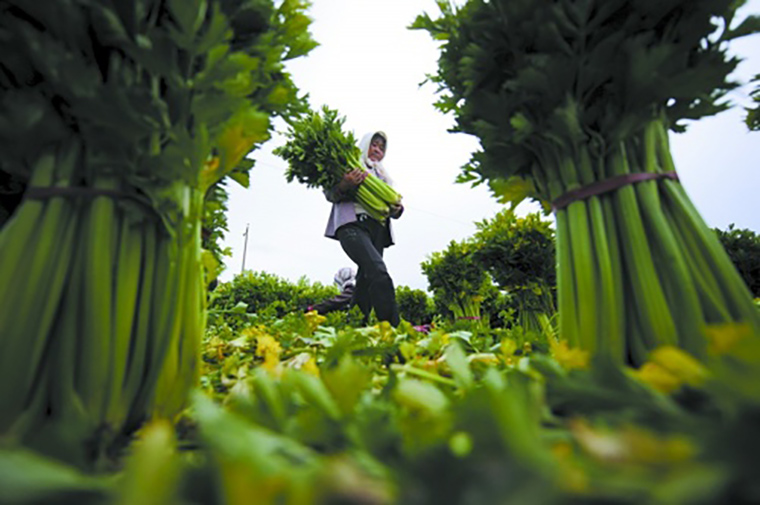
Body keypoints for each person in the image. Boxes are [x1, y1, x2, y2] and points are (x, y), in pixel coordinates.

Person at [323, 131, 403, 326]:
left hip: (377, 230)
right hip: (353, 226)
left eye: (382, 147)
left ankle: (356, 328)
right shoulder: (348, 165)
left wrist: (397, 209)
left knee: (365, 282)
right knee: (378, 271)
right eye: (374, 145)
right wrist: (345, 184)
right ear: (365, 144)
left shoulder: (384, 176)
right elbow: (330, 194)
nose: (377, 150)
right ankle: (392, 327)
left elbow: (393, 210)